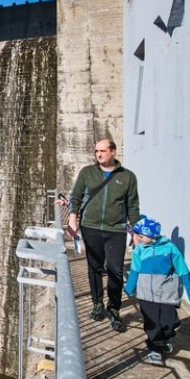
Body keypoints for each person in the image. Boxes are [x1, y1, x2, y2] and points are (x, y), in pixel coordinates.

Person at [65, 139, 139, 332]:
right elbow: (75, 196)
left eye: (103, 151)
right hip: (91, 227)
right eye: (96, 151)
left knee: (116, 270)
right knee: (94, 268)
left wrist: (137, 231)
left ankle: (114, 309)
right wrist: (73, 220)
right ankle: (97, 304)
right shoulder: (87, 173)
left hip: (116, 230)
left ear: (113, 152)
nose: (98, 154)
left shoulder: (128, 177)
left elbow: (133, 206)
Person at [124, 214, 190, 365]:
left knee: (169, 322)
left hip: (166, 294)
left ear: (151, 235)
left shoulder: (170, 248)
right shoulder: (140, 250)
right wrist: (129, 289)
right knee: (152, 324)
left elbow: (183, 270)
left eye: (141, 236)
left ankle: (164, 339)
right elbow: (134, 271)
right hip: (146, 294)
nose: (138, 239)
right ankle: (155, 349)